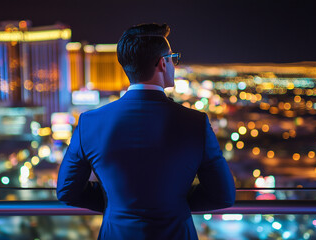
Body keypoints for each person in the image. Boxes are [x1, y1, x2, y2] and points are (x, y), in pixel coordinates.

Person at [57, 23, 236, 240]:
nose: (174, 65)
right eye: (173, 58)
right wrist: (175, 200)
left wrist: (113, 200)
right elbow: (223, 196)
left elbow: (67, 191)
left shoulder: (90, 122)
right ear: (163, 63)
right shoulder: (195, 122)